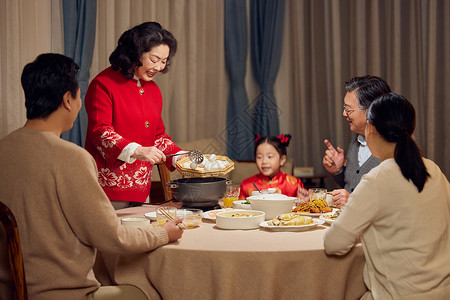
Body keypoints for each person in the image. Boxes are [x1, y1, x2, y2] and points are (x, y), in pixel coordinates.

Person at [0, 53, 184, 300]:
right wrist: (164, 233)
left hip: (9, 291)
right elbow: (113, 237)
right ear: (68, 99)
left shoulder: (5, 148)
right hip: (63, 294)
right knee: (157, 291)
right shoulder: (69, 157)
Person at [324, 93, 450, 299]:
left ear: (370, 130)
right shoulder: (433, 170)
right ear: (412, 131)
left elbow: (334, 243)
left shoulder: (376, 180)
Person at [85, 22, 185, 210]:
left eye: (164, 61)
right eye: (154, 59)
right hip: (108, 189)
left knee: (139, 235)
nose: (159, 67)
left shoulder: (153, 90)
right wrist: (138, 151)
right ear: (136, 52)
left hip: (141, 187)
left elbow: (157, 136)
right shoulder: (103, 84)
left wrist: (180, 157)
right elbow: (100, 132)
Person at [322, 75, 391, 208]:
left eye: (349, 109)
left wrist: (354, 202)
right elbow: (353, 186)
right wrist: (338, 171)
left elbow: (395, 204)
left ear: (371, 110)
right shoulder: (357, 138)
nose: (344, 113)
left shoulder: (395, 148)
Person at [239, 134, 307, 198]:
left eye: (270, 157)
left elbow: (300, 208)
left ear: (282, 160)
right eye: (259, 157)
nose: (264, 161)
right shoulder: (246, 185)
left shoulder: (294, 184)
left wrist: (303, 201)